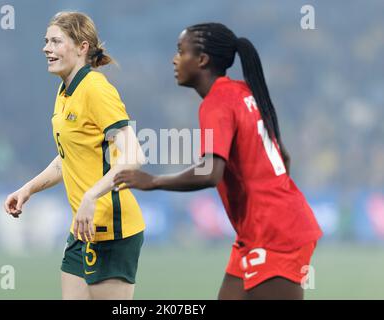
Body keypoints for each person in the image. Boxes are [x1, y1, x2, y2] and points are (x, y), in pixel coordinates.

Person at [113, 23, 323, 300]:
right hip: (259, 231)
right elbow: (284, 156)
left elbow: (210, 173)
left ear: (202, 60)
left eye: (181, 51)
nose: (174, 59)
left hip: (276, 235)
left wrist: (153, 181)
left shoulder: (217, 102)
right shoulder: (243, 91)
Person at [4, 11, 146, 300]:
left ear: (82, 47)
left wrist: (91, 196)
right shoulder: (65, 90)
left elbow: (134, 156)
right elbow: (66, 158)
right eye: (46, 41)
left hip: (112, 230)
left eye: (56, 41)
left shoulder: (95, 89)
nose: (46, 48)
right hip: (83, 230)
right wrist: (28, 189)